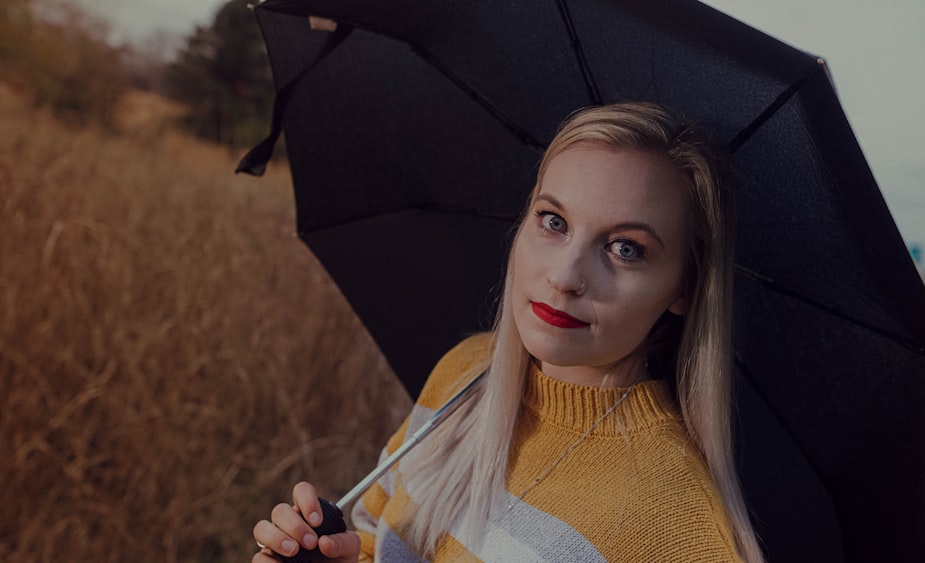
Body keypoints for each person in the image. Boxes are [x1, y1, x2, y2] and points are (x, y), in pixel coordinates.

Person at [253, 102, 766, 562]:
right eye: (554, 221)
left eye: (625, 248)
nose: (564, 277)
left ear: (683, 290)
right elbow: (373, 535)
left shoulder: (677, 530)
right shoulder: (465, 370)